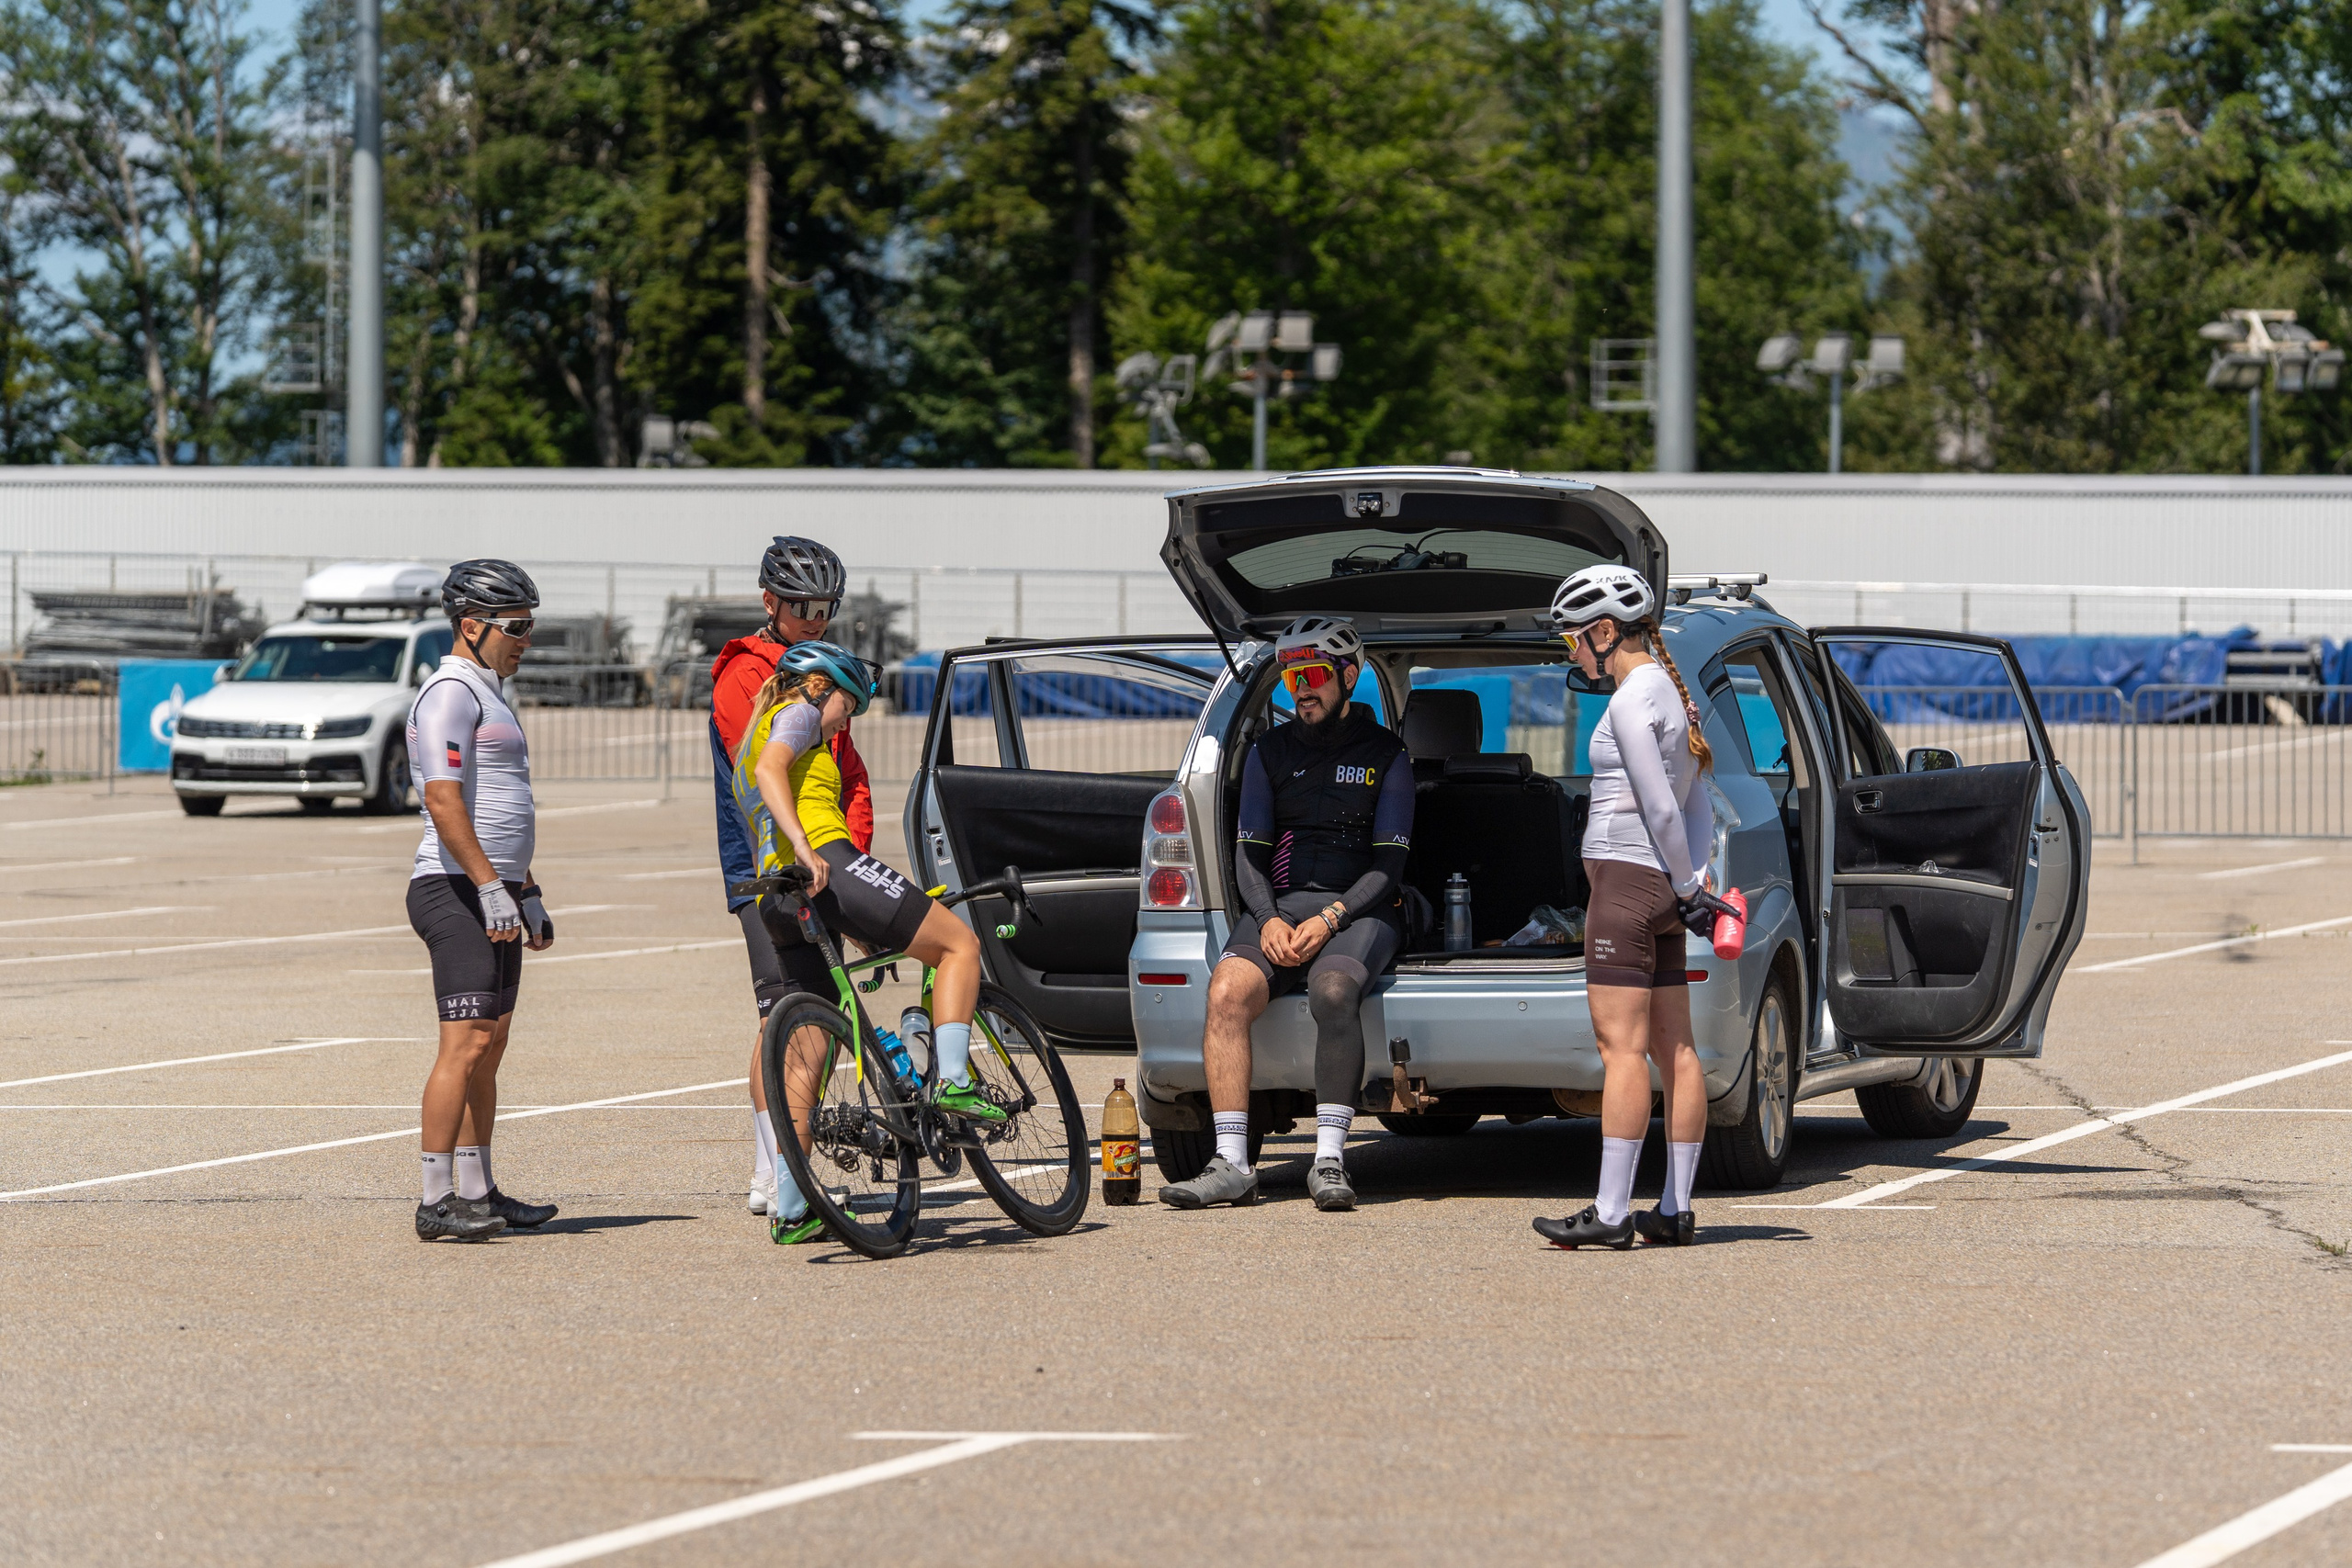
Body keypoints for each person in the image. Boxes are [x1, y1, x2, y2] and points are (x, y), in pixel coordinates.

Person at [731, 639, 996, 1244]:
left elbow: (762, 775)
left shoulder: (752, 734)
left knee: (806, 1053)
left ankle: (793, 1207)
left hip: (778, 895)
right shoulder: (799, 711)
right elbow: (775, 769)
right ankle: (955, 1079)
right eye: (846, 706)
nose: (844, 722)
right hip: (827, 862)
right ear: (819, 686)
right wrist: (808, 847)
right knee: (958, 945)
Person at [1160, 615, 1413, 1214]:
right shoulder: (1267, 752)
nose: (1301, 689)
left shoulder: (1386, 753)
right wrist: (1269, 918)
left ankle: (1328, 1159)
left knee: (1333, 990)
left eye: (1313, 675)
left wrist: (1331, 918)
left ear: (1347, 676)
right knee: (1226, 992)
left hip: (1363, 905)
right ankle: (1231, 1163)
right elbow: (1249, 855)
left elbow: (1389, 867)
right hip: (1282, 905)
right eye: (1291, 677)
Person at [1532, 564, 1731, 1250]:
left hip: (1625, 886)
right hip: (1662, 888)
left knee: (1621, 1050)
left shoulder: (1629, 700)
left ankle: (1613, 1210)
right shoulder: (1673, 693)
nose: (1572, 653)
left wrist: (1687, 886)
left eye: (1572, 640)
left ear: (1604, 631)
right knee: (1678, 1050)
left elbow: (1658, 806)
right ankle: (1674, 1207)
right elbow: (1695, 804)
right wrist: (1691, 882)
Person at [707, 536, 876, 1218]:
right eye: (801, 606)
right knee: (789, 1015)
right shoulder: (746, 673)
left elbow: (850, 776)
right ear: (769, 602)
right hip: (766, 866)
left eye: (825, 607)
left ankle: (774, 1172)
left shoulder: (819, 672)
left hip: (820, 860)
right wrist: (798, 854)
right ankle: (779, 1175)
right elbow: (758, 769)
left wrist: (850, 857)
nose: (814, 618)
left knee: (798, 1015)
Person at [406, 559, 561, 1242]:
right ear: (471, 627)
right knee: (465, 1044)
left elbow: (499, 812)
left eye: (530, 625)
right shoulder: (450, 693)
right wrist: (490, 886)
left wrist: (525, 888)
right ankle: (434, 1198)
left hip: (493, 889)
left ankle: (477, 1189)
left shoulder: (488, 692)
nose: (526, 639)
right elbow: (444, 800)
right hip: (452, 888)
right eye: (515, 627)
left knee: (490, 1045)